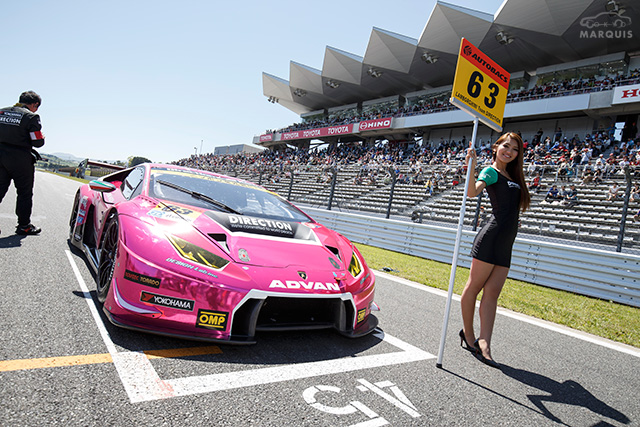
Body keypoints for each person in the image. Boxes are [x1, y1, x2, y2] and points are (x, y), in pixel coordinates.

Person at [460, 132, 531, 368]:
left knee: (492, 294)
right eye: (505, 146)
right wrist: (471, 166)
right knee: (474, 288)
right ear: (496, 147)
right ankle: (469, 336)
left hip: (506, 242)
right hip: (490, 239)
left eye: (514, 149)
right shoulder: (490, 172)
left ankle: (485, 343)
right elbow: (472, 192)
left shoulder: (514, 176)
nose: (509, 151)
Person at [0, 91, 45, 235]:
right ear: (35, 105)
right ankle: (24, 226)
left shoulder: (2, 112)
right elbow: (38, 142)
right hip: (20, 160)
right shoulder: (31, 117)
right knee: (24, 194)